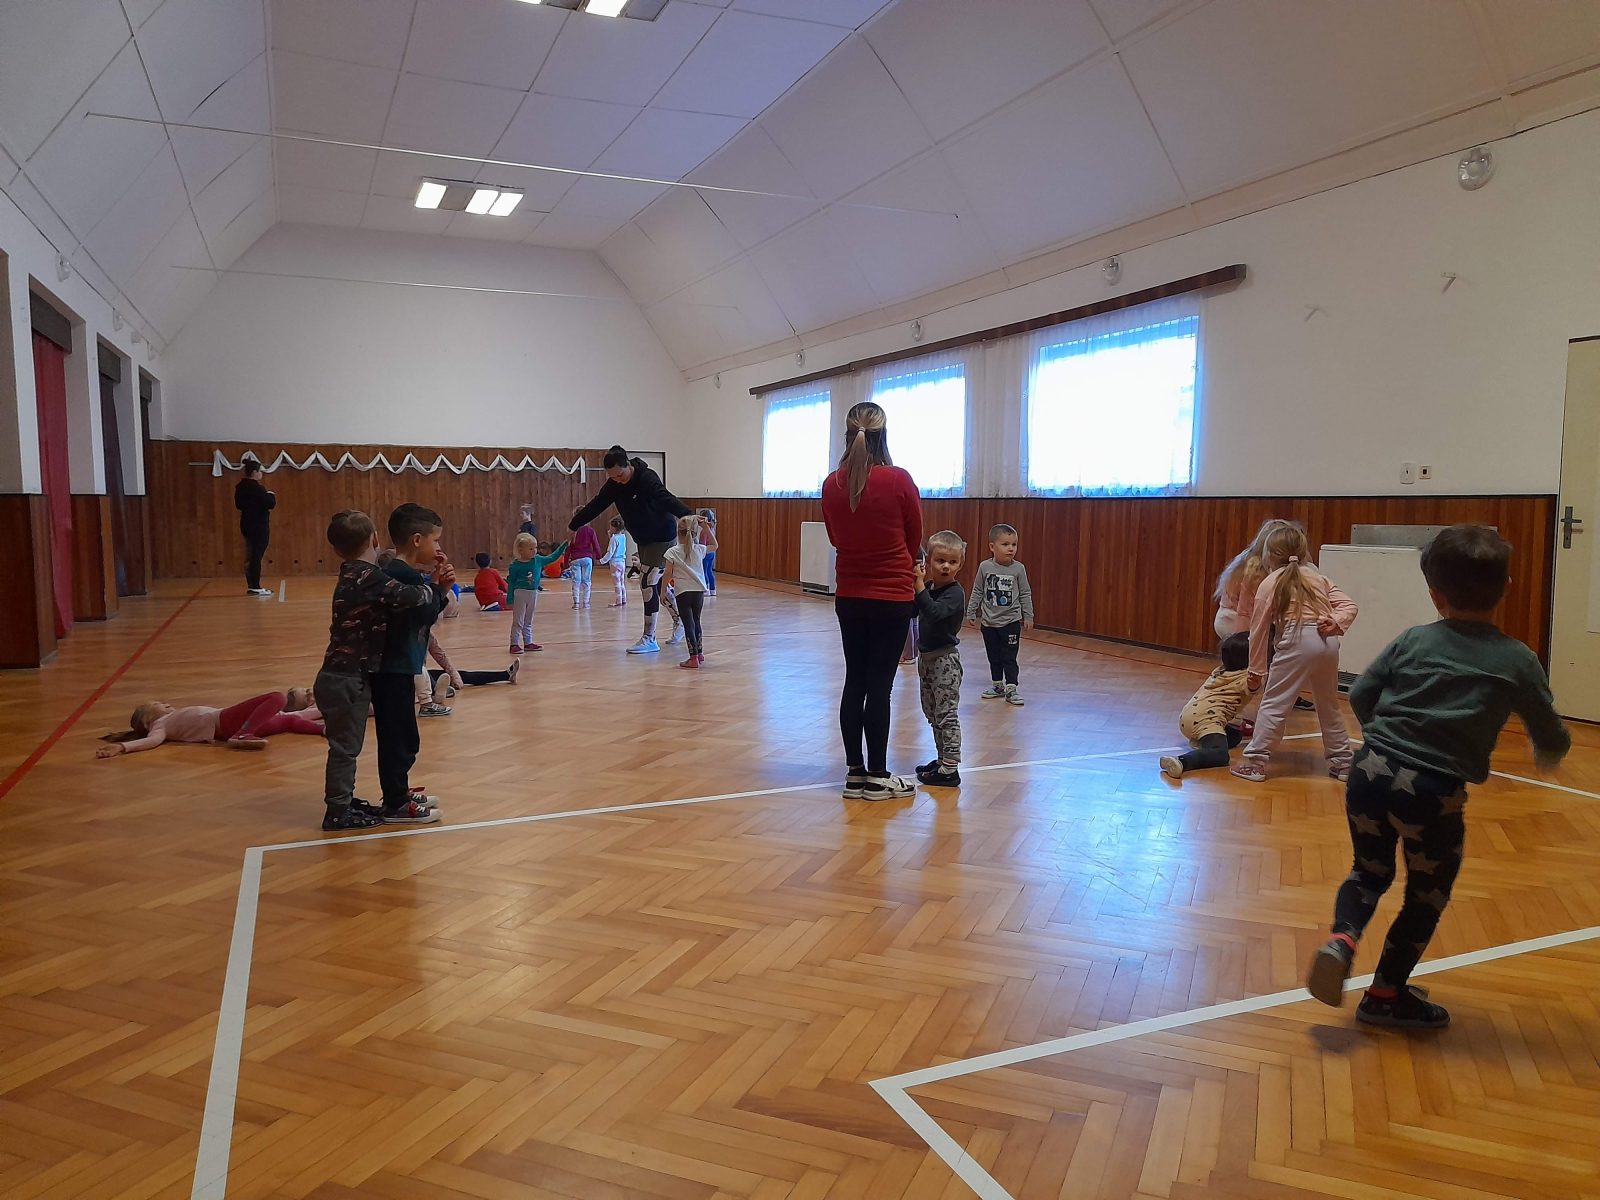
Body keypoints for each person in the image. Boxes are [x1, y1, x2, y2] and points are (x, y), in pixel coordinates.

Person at [1306, 525, 1570, 1029]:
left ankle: (1342, 939)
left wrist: (1383, 740)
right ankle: (1385, 995)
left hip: (1369, 772)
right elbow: (1548, 730)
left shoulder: (1413, 639)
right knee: (1427, 894)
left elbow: (1360, 693)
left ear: (1434, 594)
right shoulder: (1517, 660)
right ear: (1506, 587)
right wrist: (1552, 750)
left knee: (1368, 873)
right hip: (1432, 793)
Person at [309, 510, 439, 830]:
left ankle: (343, 801)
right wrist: (435, 585)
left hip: (341, 675)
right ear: (375, 539)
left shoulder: (353, 572)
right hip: (346, 677)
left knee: (346, 747)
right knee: (345, 749)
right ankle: (337, 811)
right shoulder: (368, 576)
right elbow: (414, 596)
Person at [821, 402, 923, 801]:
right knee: (880, 686)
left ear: (847, 435)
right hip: (892, 597)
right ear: (884, 435)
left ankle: (855, 774)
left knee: (855, 681)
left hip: (850, 595)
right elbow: (914, 538)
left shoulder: (831, 484)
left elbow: (835, 537)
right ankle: (878, 777)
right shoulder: (899, 480)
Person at [1231, 524, 1357, 782]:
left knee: (1274, 704)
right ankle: (1343, 763)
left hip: (1296, 641)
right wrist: (1335, 621)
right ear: (1303, 551)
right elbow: (1349, 605)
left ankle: (1255, 762)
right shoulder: (1318, 577)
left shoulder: (1269, 583)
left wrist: (1256, 672)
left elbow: (1258, 631)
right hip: (1327, 643)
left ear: (1269, 555)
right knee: (1329, 704)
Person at [372, 504, 454, 824]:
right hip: (392, 668)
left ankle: (398, 792)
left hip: (399, 666)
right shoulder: (401, 575)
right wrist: (439, 588)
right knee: (398, 738)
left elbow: (425, 612)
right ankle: (395, 803)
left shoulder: (404, 574)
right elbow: (426, 611)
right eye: (436, 540)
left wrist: (437, 588)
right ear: (417, 540)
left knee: (403, 734)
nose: (438, 547)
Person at [570, 447, 691, 654]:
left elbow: (664, 497)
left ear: (628, 465)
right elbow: (597, 505)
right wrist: (574, 525)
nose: (618, 480)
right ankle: (680, 620)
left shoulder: (646, 477)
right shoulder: (614, 485)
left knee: (647, 583)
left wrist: (686, 514)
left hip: (662, 535)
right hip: (643, 539)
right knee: (657, 583)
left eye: (620, 475)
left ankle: (649, 638)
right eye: (612, 477)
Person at [96, 692, 322, 757]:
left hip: (232, 725)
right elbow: (152, 741)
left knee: (289, 719)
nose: (166, 704)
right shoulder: (160, 725)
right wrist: (122, 747)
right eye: (158, 704)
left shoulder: (166, 722)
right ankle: (243, 734)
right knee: (277, 698)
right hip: (224, 721)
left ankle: (325, 729)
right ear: (148, 720)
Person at [913, 531, 966, 788]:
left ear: (960, 565)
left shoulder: (954, 593)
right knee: (932, 713)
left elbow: (933, 613)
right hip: (926, 660)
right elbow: (916, 609)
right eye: (940, 560)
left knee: (946, 714)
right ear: (929, 561)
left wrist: (919, 586)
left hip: (945, 661)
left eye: (952, 562)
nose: (946, 566)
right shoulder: (930, 588)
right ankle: (942, 759)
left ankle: (950, 769)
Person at [1160, 633, 1251, 778]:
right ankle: (1181, 761)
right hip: (1205, 720)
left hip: (1189, 716)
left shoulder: (1222, 670)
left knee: (1234, 737)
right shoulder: (1248, 678)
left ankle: (1200, 742)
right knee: (1220, 755)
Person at [967, 523, 1033, 706]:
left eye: (1014, 544)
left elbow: (1025, 593)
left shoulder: (1018, 569)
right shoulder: (985, 567)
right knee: (993, 656)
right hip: (989, 623)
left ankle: (1011, 687)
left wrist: (1028, 615)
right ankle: (997, 685)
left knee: (1009, 656)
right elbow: (978, 590)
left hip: (1011, 622)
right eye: (1005, 544)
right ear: (992, 546)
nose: (1011, 548)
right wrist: (971, 611)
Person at [663, 513, 716, 668]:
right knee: (696, 621)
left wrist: (663, 591)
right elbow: (715, 545)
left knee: (688, 624)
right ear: (694, 532)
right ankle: (699, 653)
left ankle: (693, 658)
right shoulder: (699, 549)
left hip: (683, 592)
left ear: (678, 533)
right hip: (698, 591)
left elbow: (667, 573)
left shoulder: (672, 551)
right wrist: (705, 528)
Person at [506, 531, 567, 653]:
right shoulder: (515, 565)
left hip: (533, 593)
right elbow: (511, 583)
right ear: (520, 550)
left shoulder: (538, 560)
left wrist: (564, 544)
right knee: (518, 620)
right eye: (530, 549)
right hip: (520, 593)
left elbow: (552, 557)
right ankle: (514, 644)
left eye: (535, 548)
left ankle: (528, 642)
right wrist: (510, 598)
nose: (534, 551)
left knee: (528, 619)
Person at [234, 457, 276, 597]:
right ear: (254, 472)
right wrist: (271, 495)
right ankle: (256, 586)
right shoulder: (257, 488)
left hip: (246, 524)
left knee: (251, 555)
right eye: (260, 471)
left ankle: (252, 585)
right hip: (258, 526)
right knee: (256, 555)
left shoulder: (240, 488)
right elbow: (270, 503)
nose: (261, 474)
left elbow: (239, 505)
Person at [567, 510, 603, 610]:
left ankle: (576, 603)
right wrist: (599, 557)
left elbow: (568, 547)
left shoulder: (573, 532)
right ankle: (586, 602)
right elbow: (595, 545)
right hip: (587, 558)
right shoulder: (590, 530)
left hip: (575, 558)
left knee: (576, 581)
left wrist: (566, 562)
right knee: (586, 581)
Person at [599, 517, 628, 608]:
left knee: (617, 583)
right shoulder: (623, 537)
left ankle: (618, 601)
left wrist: (602, 561)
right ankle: (623, 599)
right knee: (622, 582)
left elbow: (610, 552)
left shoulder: (613, 539)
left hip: (615, 563)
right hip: (622, 562)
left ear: (614, 528)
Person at [697, 508, 718, 597]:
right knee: (709, 571)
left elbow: (703, 543)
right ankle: (713, 590)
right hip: (712, 553)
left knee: (704, 571)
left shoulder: (704, 531)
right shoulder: (712, 528)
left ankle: (706, 590)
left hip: (706, 552)